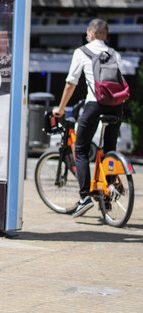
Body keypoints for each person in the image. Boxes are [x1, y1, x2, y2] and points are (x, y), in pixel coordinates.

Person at [52, 19, 123, 218]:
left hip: (94, 105)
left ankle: (84, 198)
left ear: (90, 33)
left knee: (81, 150)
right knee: (109, 151)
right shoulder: (114, 54)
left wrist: (61, 108)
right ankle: (107, 194)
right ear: (105, 35)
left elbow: (70, 83)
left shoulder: (81, 52)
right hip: (117, 106)